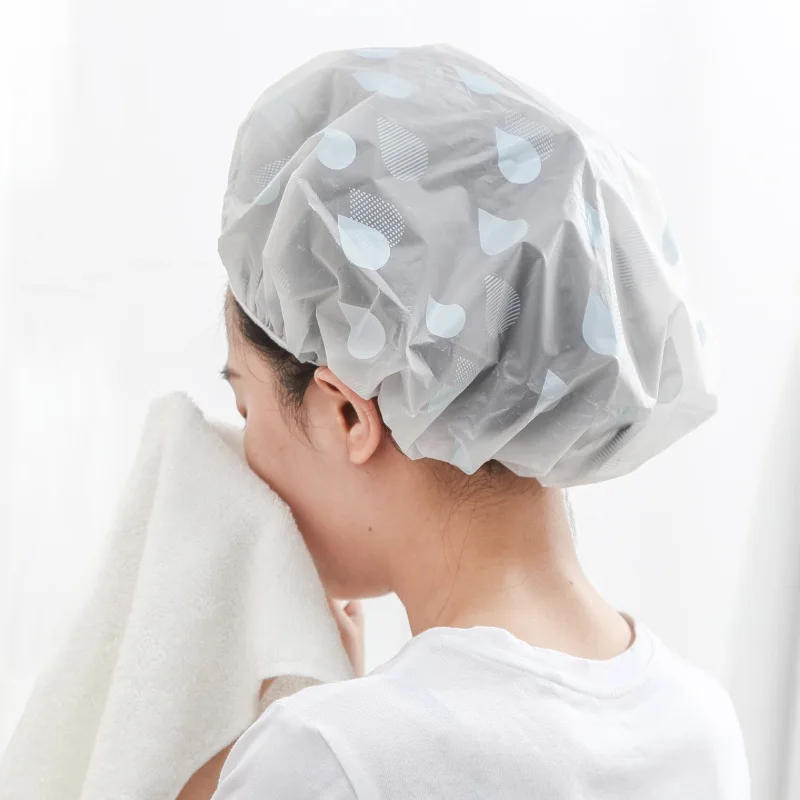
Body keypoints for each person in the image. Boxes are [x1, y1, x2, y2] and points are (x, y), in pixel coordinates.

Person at [205, 43, 750, 798]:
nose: (242, 453)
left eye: (245, 406)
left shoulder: (325, 754)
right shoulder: (702, 724)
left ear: (346, 411)